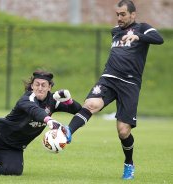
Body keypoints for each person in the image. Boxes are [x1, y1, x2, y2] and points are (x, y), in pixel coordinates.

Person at [66, 0, 164, 180]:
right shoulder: (115, 31)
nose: (119, 18)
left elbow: (159, 39)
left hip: (130, 84)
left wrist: (138, 37)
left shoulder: (143, 28)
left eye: (123, 14)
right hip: (109, 78)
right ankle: (68, 132)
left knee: (123, 131)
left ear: (133, 14)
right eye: (117, 14)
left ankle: (129, 163)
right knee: (91, 104)